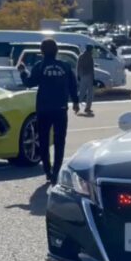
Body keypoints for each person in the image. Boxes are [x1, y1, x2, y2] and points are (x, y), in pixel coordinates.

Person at [19, 39, 79, 185]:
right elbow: (73, 85)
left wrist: (22, 71)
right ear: (57, 50)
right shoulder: (65, 66)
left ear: (42, 51)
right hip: (60, 108)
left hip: (44, 109)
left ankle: (48, 170)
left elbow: (29, 82)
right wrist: (76, 102)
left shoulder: (40, 66)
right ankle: (57, 171)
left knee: (44, 140)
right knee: (60, 141)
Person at [77, 44, 95, 115]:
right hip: (89, 76)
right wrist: (93, 78)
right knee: (90, 93)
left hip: (82, 75)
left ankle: (76, 105)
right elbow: (91, 69)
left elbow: (78, 66)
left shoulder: (81, 56)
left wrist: (78, 75)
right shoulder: (90, 57)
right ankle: (87, 107)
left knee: (82, 92)